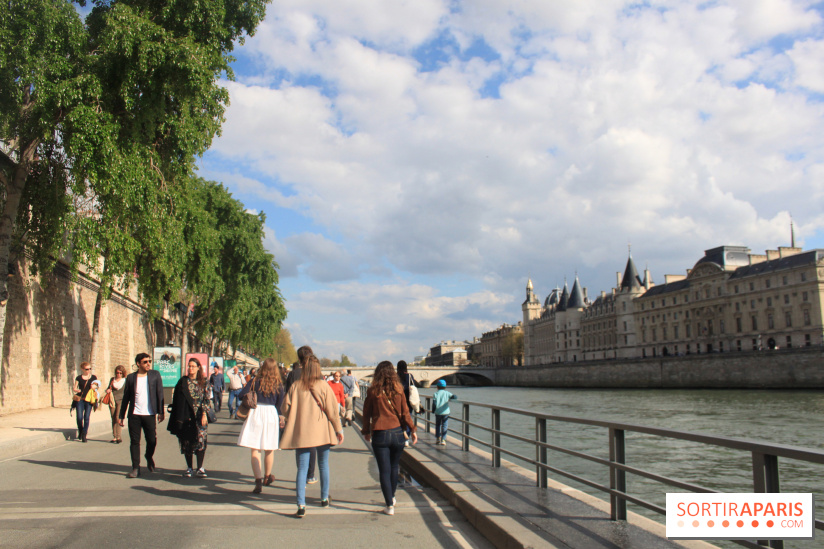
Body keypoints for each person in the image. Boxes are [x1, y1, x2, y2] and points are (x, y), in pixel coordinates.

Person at [280, 355, 344, 518]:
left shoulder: (296, 386)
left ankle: (301, 504)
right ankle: (324, 498)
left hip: (302, 431)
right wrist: (338, 430)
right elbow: (332, 410)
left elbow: (284, 407)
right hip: (322, 431)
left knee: (302, 468)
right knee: (323, 465)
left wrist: (293, 415)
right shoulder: (324, 385)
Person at [361, 361, 417, 515]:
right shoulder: (399, 390)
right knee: (394, 468)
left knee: (384, 470)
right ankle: (392, 496)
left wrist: (366, 430)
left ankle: (389, 505)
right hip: (398, 433)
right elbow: (405, 412)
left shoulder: (373, 391)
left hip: (380, 433)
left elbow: (366, 413)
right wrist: (412, 429)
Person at [237, 358, 286, 493]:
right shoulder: (279, 385)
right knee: (269, 448)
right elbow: (279, 404)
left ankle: (257, 480)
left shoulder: (255, 381)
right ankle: (267, 476)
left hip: (256, 412)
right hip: (271, 414)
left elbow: (241, 395)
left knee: (255, 449)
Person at [119, 352, 165, 478]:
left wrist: (161, 411)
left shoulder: (155, 375)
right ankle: (135, 468)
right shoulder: (131, 378)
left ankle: (148, 456)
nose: (148, 363)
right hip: (134, 414)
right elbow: (126, 398)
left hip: (149, 414)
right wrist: (121, 415)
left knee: (152, 440)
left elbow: (160, 393)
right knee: (135, 441)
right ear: (138, 364)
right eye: (145, 362)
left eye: (149, 361)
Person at [168, 358, 212, 477]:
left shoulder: (204, 382)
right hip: (186, 416)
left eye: (193, 366)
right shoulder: (183, 381)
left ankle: (200, 467)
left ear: (198, 367)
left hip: (199, 416)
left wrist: (204, 414)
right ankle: (189, 467)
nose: (191, 368)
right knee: (186, 441)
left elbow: (206, 399)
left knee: (201, 440)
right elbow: (176, 399)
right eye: (189, 366)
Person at [285, 348, 319, 484]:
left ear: (298, 359)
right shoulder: (317, 375)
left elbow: (287, 395)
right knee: (312, 445)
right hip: (313, 414)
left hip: (297, 413)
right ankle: (310, 475)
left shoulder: (293, 374)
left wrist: (286, 416)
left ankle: (302, 476)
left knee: (300, 446)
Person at [72, 362, 97, 443]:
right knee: (79, 417)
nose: (88, 370)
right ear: (82, 369)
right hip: (80, 399)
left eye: (90, 369)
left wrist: (94, 386)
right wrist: (77, 390)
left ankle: (84, 434)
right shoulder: (79, 378)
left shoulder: (93, 377)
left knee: (86, 417)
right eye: (86, 369)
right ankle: (80, 430)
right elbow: (74, 388)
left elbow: (97, 385)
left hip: (89, 400)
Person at [105, 365, 128, 443]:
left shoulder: (125, 380)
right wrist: (107, 390)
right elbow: (108, 388)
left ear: (123, 373)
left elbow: (127, 391)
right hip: (112, 400)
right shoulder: (112, 379)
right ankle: (114, 436)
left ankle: (119, 436)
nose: (118, 374)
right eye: (117, 373)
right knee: (113, 417)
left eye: (120, 373)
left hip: (121, 400)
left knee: (118, 418)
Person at [396, 361, 417, 442]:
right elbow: (414, 386)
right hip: (408, 400)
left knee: (399, 418)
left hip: (398, 400)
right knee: (408, 417)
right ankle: (406, 439)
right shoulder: (409, 376)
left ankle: (401, 433)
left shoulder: (395, 376)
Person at [432, 380, 457, 445]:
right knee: (444, 425)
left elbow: (434, 404)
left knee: (437, 425)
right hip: (445, 412)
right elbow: (454, 397)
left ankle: (438, 438)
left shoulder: (435, 394)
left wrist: (433, 410)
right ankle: (443, 439)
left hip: (438, 412)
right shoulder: (447, 393)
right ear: (445, 387)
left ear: (437, 387)